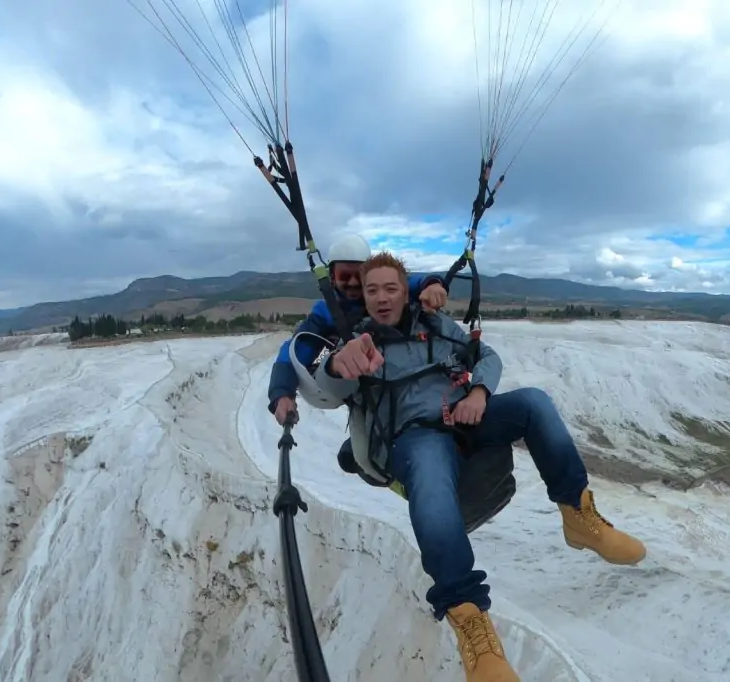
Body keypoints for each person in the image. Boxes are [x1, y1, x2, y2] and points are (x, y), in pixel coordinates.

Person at [313, 251, 647, 682]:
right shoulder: (359, 342)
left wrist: (480, 393)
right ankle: (470, 620)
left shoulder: (437, 327)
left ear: (406, 291)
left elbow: (484, 355)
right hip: (415, 437)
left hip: (465, 416)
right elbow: (324, 384)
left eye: (391, 288)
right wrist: (339, 364)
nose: (381, 297)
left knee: (533, 403)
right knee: (429, 483)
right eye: (372, 289)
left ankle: (578, 515)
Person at [267, 232, 448, 435]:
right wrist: (281, 392)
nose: (353, 282)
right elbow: (297, 351)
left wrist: (432, 284)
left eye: (359, 276)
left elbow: (412, 282)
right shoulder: (327, 311)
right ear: (332, 277)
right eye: (345, 276)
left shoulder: (384, 293)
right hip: (364, 394)